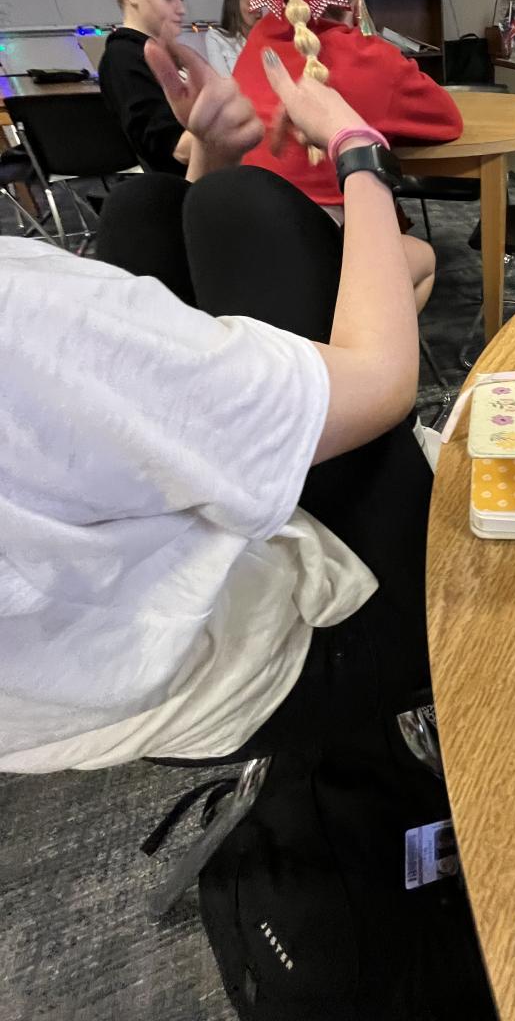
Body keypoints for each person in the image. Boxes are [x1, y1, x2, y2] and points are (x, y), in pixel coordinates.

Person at [0, 39, 434, 773]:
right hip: (257, 667)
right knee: (242, 206)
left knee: (149, 203)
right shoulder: (22, 312)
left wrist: (209, 156)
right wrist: (358, 150)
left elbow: (116, 399)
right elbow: (382, 382)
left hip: (64, 692)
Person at [232, 0, 462, 310]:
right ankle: (365, 334)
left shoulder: (257, 42)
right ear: (355, 5)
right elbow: (449, 121)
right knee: (425, 260)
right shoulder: (374, 57)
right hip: (324, 243)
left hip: (246, 239)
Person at [90, 0, 192, 175]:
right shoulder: (123, 59)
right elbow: (171, 149)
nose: (181, 9)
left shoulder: (160, 51)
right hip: (182, 188)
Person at [205, 0, 260, 76]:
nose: (258, 10)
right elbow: (223, 81)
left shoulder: (267, 40)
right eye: (252, 4)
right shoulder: (216, 38)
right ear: (235, 8)